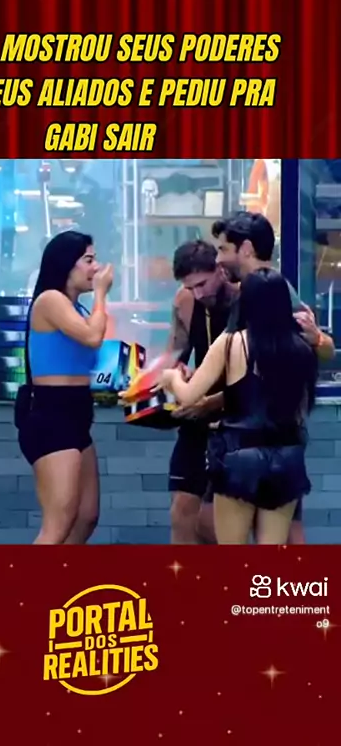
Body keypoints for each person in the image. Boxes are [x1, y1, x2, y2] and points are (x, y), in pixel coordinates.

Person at [158, 269, 318, 545]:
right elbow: (301, 406)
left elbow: (189, 396)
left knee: (234, 554)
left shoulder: (232, 342)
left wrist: (171, 378)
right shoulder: (301, 347)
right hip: (287, 457)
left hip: (239, 457)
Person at [212, 211, 335, 543]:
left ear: (246, 249)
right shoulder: (245, 293)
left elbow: (325, 349)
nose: (219, 259)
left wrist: (317, 338)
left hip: (272, 439)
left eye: (223, 249)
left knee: (286, 535)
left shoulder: (277, 292)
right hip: (259, 440)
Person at [14, 231, 113, 545]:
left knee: (87, 515)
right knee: (59, 523)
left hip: (77, 413)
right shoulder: (50, 300)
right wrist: (101, 295)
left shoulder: (77, 310)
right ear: (66, 264)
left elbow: (90, 356)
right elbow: (92, 337)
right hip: (51, 416)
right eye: (88, 260)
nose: (96, 267)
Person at [167, 240, 239, 544]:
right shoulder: (185, 301)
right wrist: (170, 377)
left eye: (201, 284)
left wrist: (210, 402)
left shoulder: (245, 300)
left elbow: (256, 379)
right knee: (181, 512)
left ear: (220, 270)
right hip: (197, 415)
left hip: (236, 416)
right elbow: (174, 354)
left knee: (211, 524)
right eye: (189, 287)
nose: (198, 294)